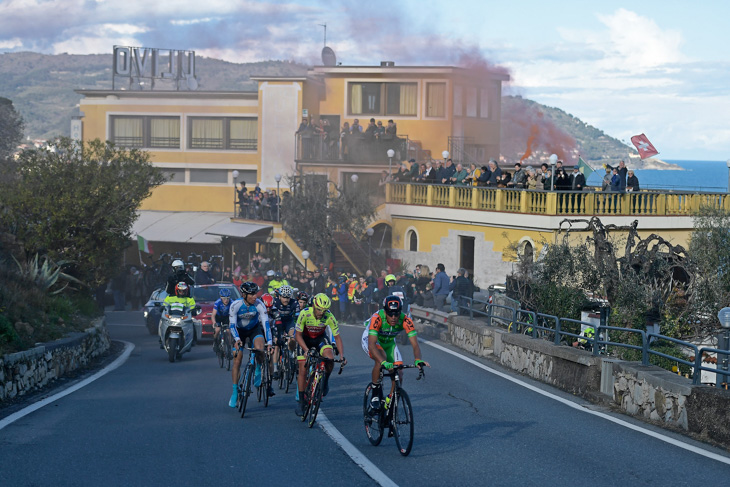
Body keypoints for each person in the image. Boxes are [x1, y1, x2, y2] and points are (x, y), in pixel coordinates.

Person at [362, 295, 429, 413]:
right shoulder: (377, 318)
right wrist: (383, 362)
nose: (393, 317)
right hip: (372, 340)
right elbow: (372, 345)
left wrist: (418, 359)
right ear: (385, 311)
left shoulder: (406, 320)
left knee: (399, 372)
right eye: (390, 314)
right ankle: (375, 393)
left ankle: (390, 401)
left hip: (389, 343)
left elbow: (415, 344)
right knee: (381, 359)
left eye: (396, 314)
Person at [294, 294, 347, 416]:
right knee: (303, 369)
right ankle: (301, 402)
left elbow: (337, 337)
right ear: (313, 306)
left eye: (324, 310)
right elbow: (297, 335)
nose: (321, 313)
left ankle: (325, 381)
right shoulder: (304, 313)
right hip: (304, 339)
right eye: (319, 309)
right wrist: (306, 350)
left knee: (330, 358)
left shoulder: (329, 316)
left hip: (320, 338)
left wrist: (342, 356)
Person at [228, 282, 273, 407]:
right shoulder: (235, 305)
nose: (255, 296)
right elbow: (232, 325)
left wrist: (269, 343)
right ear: (244, 295)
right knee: (237, 359)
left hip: (254, 329)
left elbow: (266, 325)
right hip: (239, 332)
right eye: (252, 294)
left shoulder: (260, 304)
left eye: (256, 293)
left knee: (260, 348)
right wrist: (237, 339)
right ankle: (235, 391)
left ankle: (258, 369)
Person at [271, 285, 300, 380]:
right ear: (279, 296)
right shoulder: (275, 302)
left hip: (288, 322)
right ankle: (275, 369)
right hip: (277, 322)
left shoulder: (294, 302)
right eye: (284, 297)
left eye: (288, 297)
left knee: (293, 337)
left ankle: (291, 354)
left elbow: (298, 318)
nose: (286, 299)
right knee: (276, 344)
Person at [211, 287, 232, 353]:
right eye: (224, 298)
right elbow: (213, 315)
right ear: (221, 298)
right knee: (218, 329)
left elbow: (234, 314)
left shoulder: (232, 302)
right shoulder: (218, 302)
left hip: (226, 317)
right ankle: (215, 342)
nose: (226, 300)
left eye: (228, 298)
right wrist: (214, 323)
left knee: (229, 331)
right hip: (218, 316)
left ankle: (229, 348)